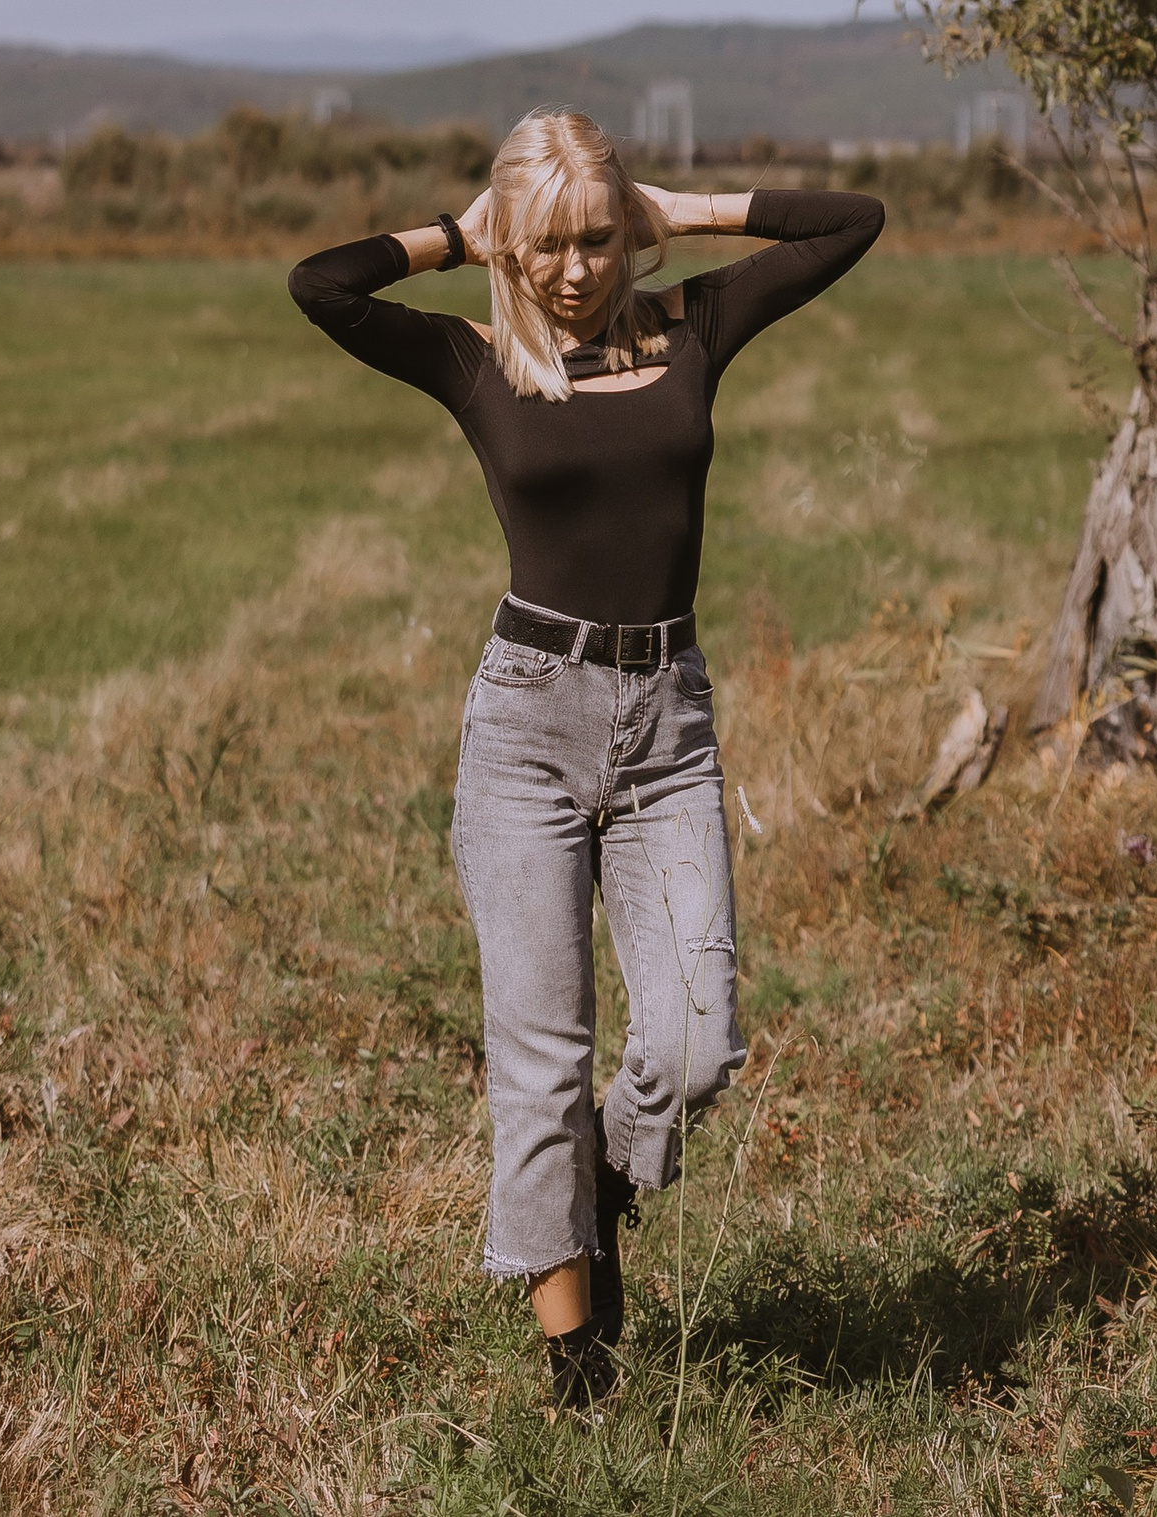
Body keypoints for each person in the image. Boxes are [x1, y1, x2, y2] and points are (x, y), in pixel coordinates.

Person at [286, 111, 883, 1409]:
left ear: (631, 231)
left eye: (598, 238)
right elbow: (320, 284)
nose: (573, 268)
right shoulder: (479, 357)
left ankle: (596, 1189)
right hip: (527, 728)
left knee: (696, 1040)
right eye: (548, 243)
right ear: (515, 242)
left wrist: (684, 204)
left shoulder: (693, 329)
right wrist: (458, 233)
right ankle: (580, 1368)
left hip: (665, 720)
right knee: (540, 1058)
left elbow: (853, 221)